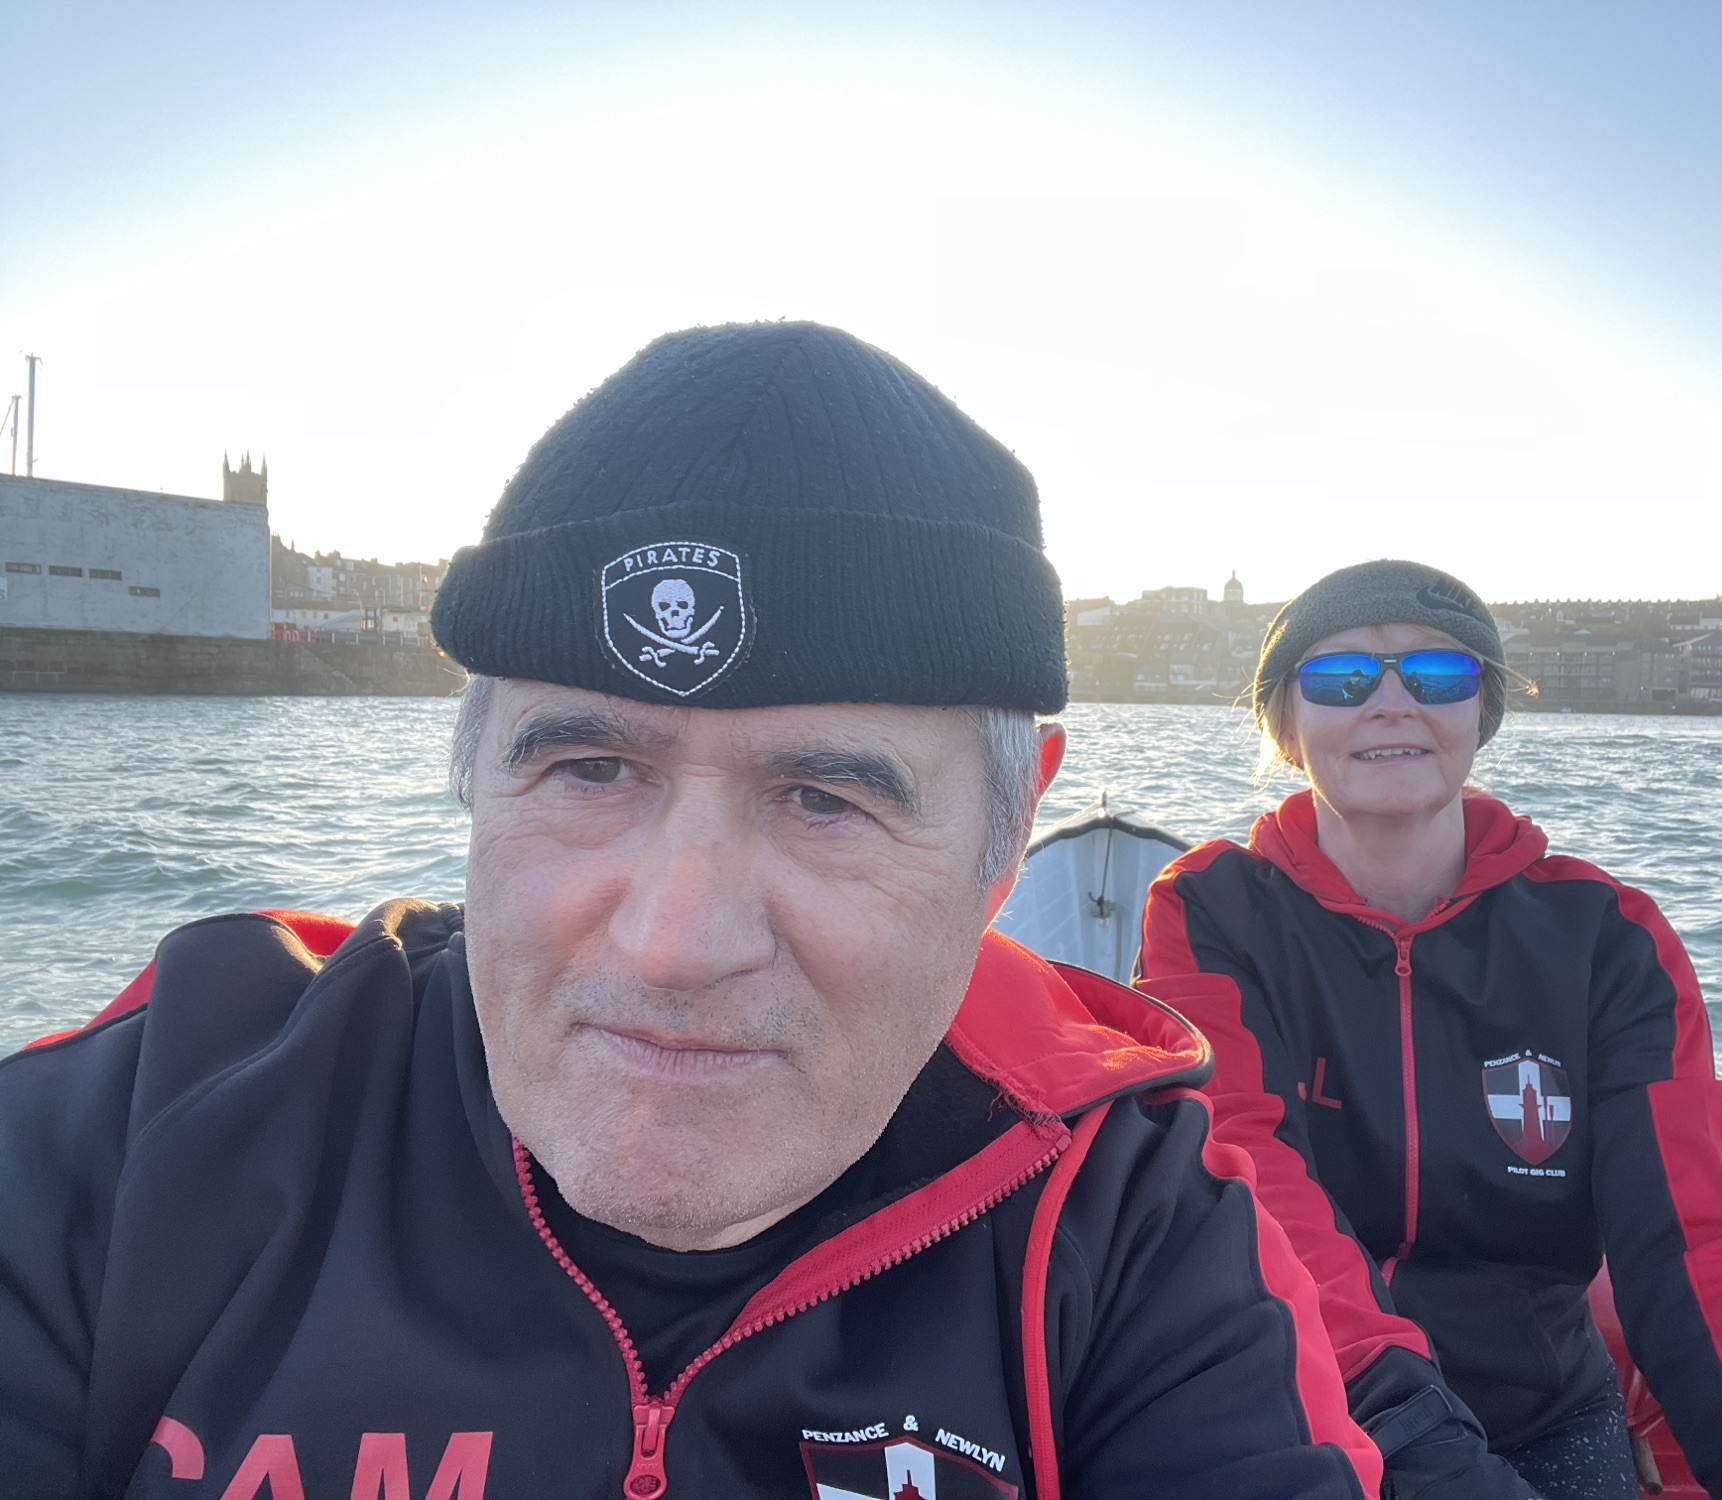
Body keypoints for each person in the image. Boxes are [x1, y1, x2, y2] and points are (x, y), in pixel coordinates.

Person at [0, 325, 1383, 1499]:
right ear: (472, 775)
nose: (676, 940)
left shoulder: (1130, 1227)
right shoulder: (140, 1131)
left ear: (1007, 833)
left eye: (824, 801)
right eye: (590, 771)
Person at [1135, 560, 1722, 1500]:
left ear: (1482, 712)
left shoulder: (1608, 938)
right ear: (1285, 723)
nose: (1392, 702)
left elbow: (1694, 1240)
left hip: (1539, 1415)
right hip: (1293, 1399)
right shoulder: (1209, 912)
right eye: (1341, 679)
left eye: (1438, 675)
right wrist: (1416, 1436)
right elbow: (1247, 1180)